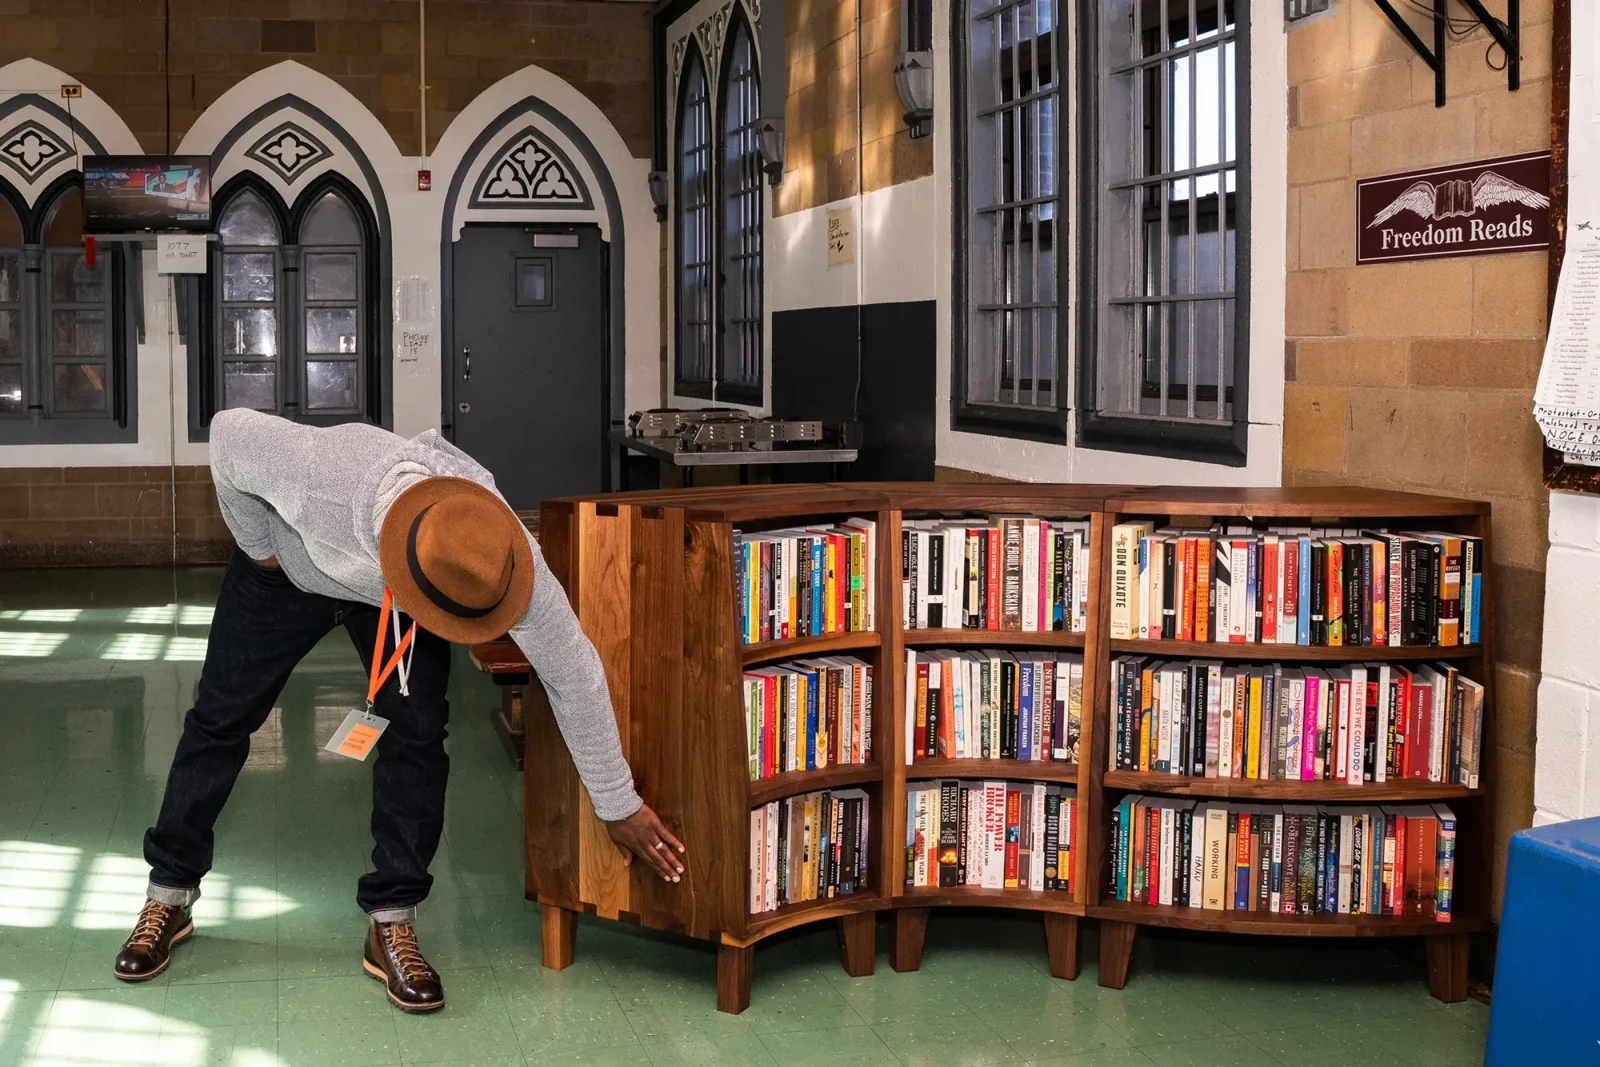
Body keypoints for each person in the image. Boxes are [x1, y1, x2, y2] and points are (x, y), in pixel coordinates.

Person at [113, 408, 685, 1012]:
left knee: (415, 736)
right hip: (288, 570)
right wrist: (260, 552)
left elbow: (574, 670)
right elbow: (227, 434)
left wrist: (617, 801)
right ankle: (169, 895)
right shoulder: (319, 478)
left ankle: (392, 916)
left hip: (400, 599)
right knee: (219, 720)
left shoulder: (495, 555)